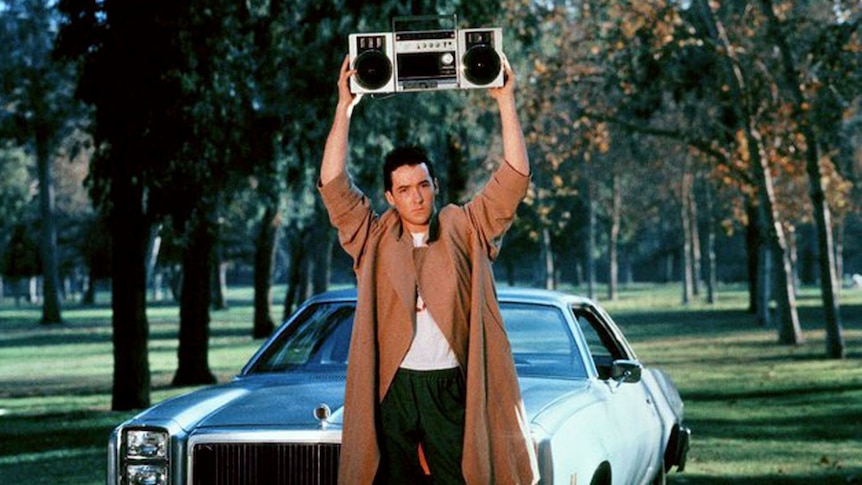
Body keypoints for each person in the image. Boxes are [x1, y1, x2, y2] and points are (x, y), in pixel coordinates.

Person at [318, 54, 539, 485]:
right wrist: (343, 108)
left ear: (434, 186)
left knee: (460, 476)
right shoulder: (375, 237)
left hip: (449, 386)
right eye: (404, 190)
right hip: (394, 387)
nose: (416, 198)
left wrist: (505, 101)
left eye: (423, 185)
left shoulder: (464, 226)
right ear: (390, 197)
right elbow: (334, 186)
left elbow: (513, 179)